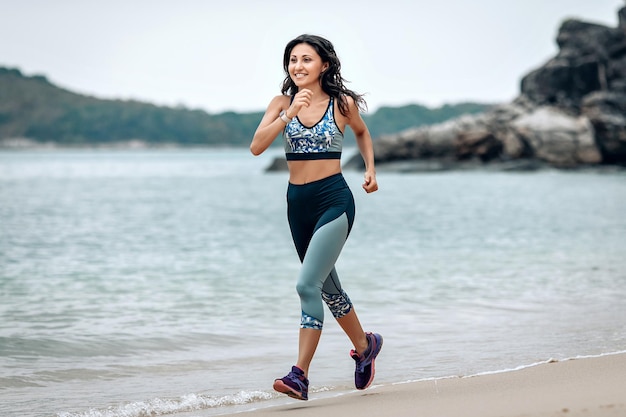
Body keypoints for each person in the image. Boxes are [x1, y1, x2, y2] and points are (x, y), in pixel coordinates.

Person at [250, 34, 382, 401]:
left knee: (307, 285)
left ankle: (299, 375)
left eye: (306, 59)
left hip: (333, 200)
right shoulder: (280, 103)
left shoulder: (342, 103)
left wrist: (370, 169)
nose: (298, 66)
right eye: (293, 60)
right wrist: (288, 115)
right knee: (327, 288)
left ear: (324, 65)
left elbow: (362, 133)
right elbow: (257, 147)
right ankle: (365, 344)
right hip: (297, 204)